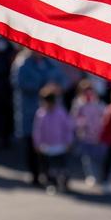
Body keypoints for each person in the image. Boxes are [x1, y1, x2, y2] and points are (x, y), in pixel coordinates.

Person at [13, 51, 69, 185]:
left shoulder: (51, 63)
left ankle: (52, 176)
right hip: (31, 111)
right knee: (32, 143)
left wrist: (57, 87)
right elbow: (20, 83)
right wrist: (43, 87)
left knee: (53, 148)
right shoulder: (22, 63)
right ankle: (35, 174)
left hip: (53, 114)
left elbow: (64, 80)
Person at [31, 85, 74, 194]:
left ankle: (64, 183)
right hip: (47, 146)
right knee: (49, 169)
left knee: (62, 167)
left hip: (60, 145)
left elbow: (67, 128)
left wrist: (68, 141)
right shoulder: (41, 114)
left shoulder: (61, 112)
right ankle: (52, 184)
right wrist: (37, 143)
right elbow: (37, 130)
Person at [71, 80, 107, 186]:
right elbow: (74, 118)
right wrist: (81, 125)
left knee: (99, 157)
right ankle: (91, 176)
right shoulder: (78, 104)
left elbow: (104, 116)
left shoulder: (99, 103)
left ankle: (100, 176)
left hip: (98, 135)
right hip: (85, 135)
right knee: (87, 158)